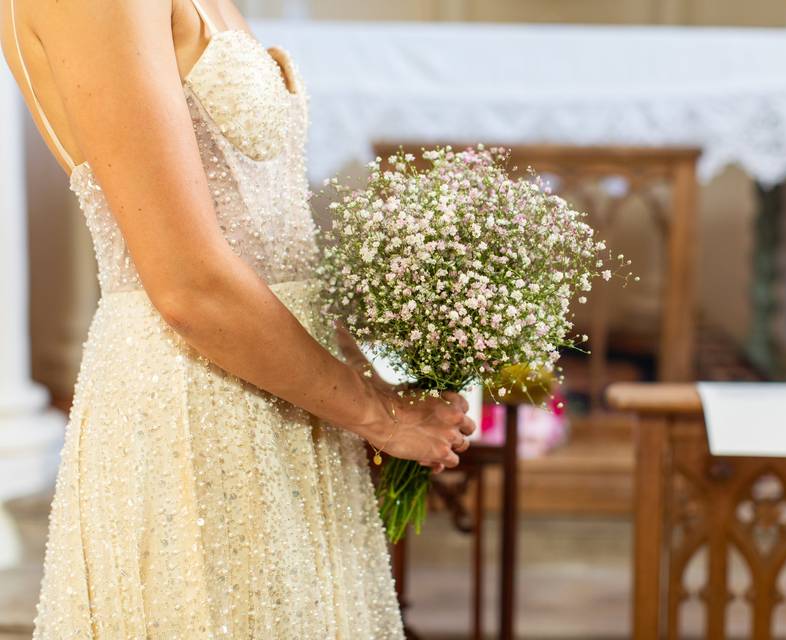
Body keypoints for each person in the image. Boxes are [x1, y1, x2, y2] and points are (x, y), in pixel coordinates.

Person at [1, 0, 475, 636]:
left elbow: (264, 237)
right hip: (197, 407)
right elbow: (187, 282)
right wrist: (373, 414)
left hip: (290, 397)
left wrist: (364, 370)